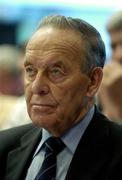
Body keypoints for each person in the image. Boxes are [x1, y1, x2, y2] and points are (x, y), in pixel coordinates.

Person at [0, 15, 122, 180]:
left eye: (55, 71)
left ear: (93, 81)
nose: (36, 87)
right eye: (30, 70)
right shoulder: (4, 146)